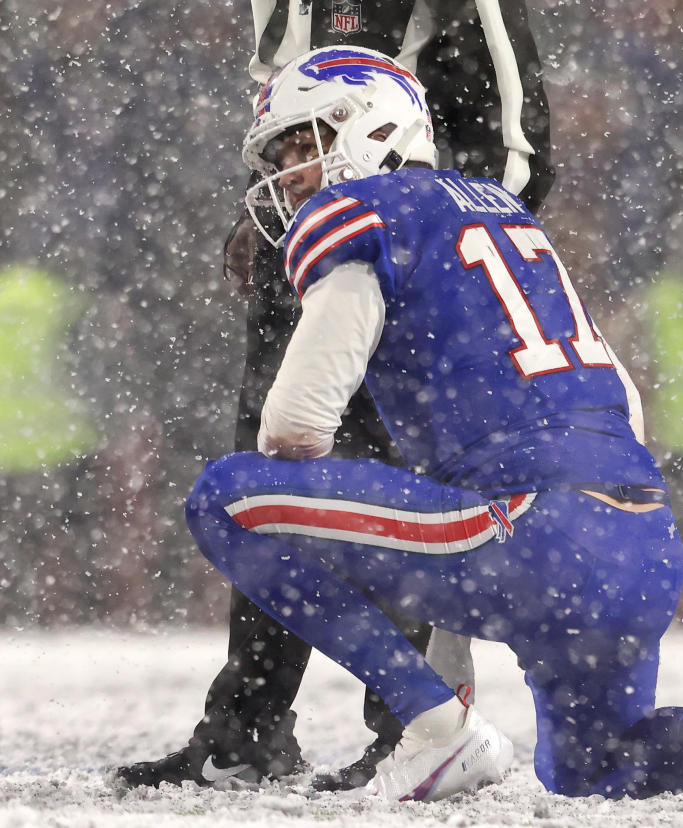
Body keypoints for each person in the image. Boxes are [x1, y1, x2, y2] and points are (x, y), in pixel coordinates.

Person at [181, 46, 683, 804]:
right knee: (596, 767)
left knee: (228, 496)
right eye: (284, 153)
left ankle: (430, 727)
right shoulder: (502, 213)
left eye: (307, 143)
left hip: (530, 531)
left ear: (371, 129)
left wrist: (379, 534)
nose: (290, 172)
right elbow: (624, 402)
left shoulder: (362, 215)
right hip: (642, 542)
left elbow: (296, 427)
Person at [115, 0, 554, 792]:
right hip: (316, 241)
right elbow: (289, 111)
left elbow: (520, 146)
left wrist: (431, 247)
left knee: (408, 502)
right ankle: (245, 730)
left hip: (415, 261)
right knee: (273, 480)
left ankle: (417, 729)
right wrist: (277, 203)